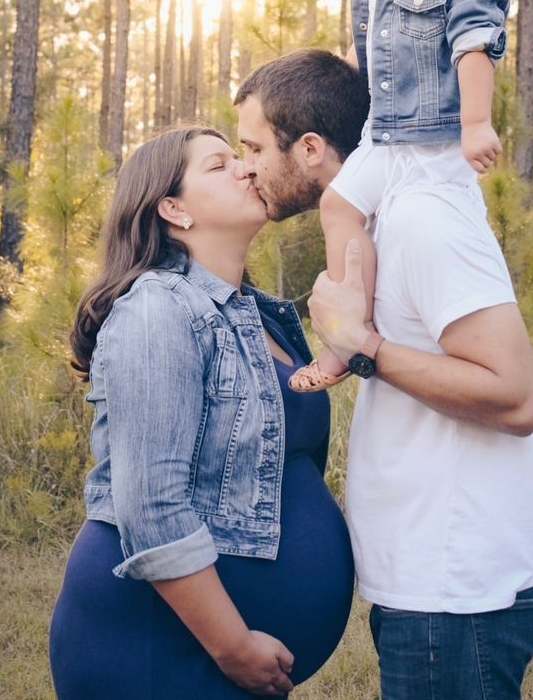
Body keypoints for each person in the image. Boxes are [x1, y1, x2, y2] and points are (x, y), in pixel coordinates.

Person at [236, 47, 533, 699]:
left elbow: (518, 399)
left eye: (254, 148)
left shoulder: (421, 219)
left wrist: (363, 346)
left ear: (312, 147)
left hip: (456, 594)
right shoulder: (375, 228)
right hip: (427, 585)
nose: (245, 169)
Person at [49, 126, 356, 699]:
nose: (246, 168)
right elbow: (151, 501)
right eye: (219, 165)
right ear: (173, 209)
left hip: (223, 657)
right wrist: (233, 646)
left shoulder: (262, 315)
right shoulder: (156, 310)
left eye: (242, 157)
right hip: (150, 649)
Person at [290, 0, 512, 392]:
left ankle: (382, 339)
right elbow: (371, 62)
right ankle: (345, 336)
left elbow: (473, 47)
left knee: (417, 227)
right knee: (337, 205)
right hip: (383, 137)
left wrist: (476, 123)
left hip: (435, 138)